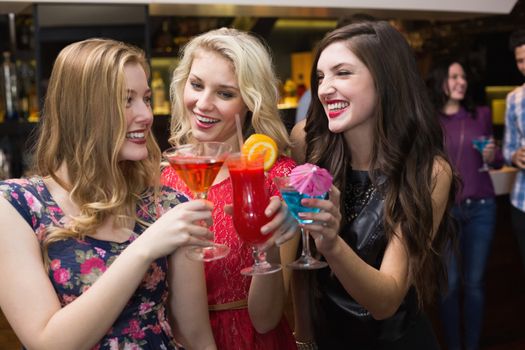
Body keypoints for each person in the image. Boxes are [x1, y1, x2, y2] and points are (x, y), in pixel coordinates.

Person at [0, 38, 217, 349]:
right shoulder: (16, 207)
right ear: (82, 111)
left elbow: (196, 338)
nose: (146, 115)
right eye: (126, 100)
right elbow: (47, 343)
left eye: (145, 98)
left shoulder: (169, 207)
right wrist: (144, 249)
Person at [290, 21, 456, 349]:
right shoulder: (307, 142)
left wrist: (331, 242)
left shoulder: (429, 171)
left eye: (343, 73)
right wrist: (303, 335)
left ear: (384, 80)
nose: (324, 89)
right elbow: (299, 263)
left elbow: (386, 301)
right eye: (321, 76)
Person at [161, 28, 299, 349]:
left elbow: (266, 318)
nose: (203, 104)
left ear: (250, 101)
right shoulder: (162, 178)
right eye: (196, 86)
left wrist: (267, 245)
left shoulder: (277, 178)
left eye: (225, 94)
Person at [427, 58, 504, 350]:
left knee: (474, 284)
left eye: (464, 77)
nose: (462, 81)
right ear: (440, 81)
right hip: (446, 212)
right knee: (450, 287)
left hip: (482, 208)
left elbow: (495, 159)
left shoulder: (480, 114)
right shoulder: (430, 122)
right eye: (454, 76)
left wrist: (492, 155)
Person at [503, 28, 525, 272]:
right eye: (520, 60)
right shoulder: (514, 99)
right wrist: (515, 155)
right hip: (522, 202)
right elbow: (508, 148)